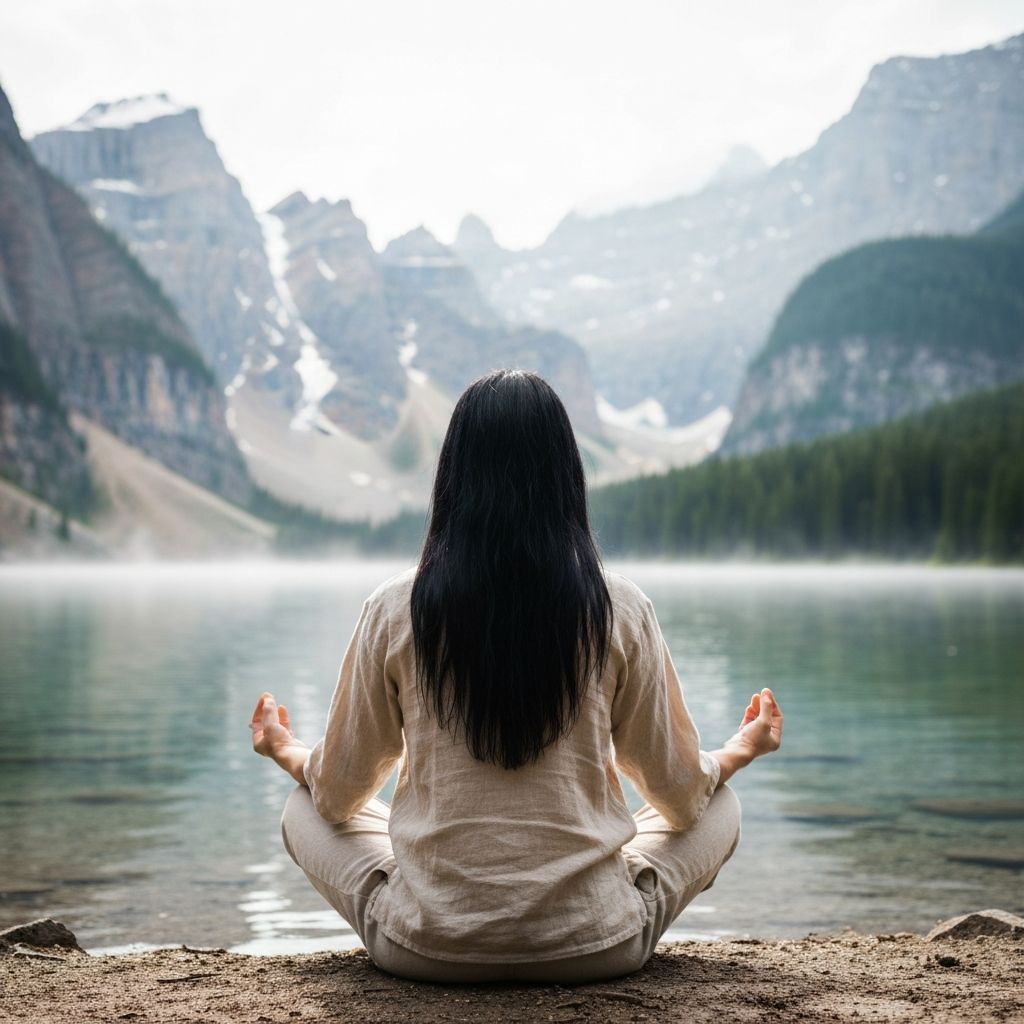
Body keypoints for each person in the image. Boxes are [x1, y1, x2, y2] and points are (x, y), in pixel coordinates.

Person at [251, 368, 783, 984]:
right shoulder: (620, 608)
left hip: (426, 948)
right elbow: (682, 796)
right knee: (721, 804)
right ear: (566, 478)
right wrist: (741, 749)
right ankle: (591, 901)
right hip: (597, 946)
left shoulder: (395, 608)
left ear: (452, 479)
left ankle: (436, 908)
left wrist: (285, 749)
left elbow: (337, 793)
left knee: (303, 806)